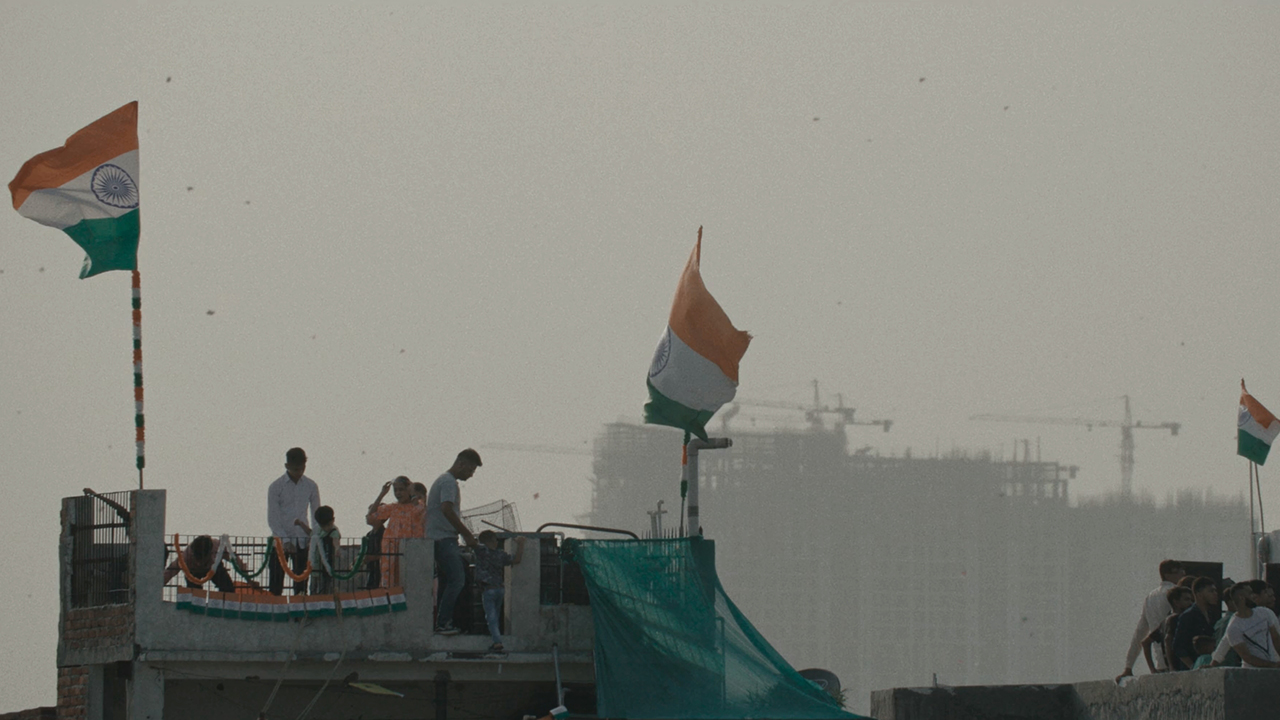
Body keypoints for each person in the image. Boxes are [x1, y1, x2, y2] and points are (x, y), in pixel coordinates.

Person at [426, 449, 482, 636]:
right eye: (471, 469)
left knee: (447, 581)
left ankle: (443, 622)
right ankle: (443, 623)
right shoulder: (448, 482)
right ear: (461, 464)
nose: (471, 475)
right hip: (444, 539)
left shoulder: (443, 480)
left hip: (439, 538)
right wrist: (467, 534)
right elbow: (446, 509)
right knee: (458, 580)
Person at [1118, 559, 1186, 682]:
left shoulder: (1150, 597)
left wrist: (1129, 666)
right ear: (1168, 575)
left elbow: (1139, 634)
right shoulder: (1177, 594)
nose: (1183, 575)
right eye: (1180, 572)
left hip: (1160, 663)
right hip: (1178, 661)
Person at [267, 447, 321, 596]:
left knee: (301, 585)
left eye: (302, 468)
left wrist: (313, 537)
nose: (300, 472)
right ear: (287, 466)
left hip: (303, 540)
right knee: (276, 583)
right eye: (296, 469)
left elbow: (316, 514)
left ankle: (300, 610)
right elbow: (273, 517)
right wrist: (284, 540)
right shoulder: (276, 487)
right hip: (279, 541)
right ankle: (276, 609)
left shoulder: (311, 485)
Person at [366, 476, 426, 588]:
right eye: (396, 490)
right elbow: (370, 517)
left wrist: (415, 496)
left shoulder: (418, 506)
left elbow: (422, 512)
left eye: (401, 489)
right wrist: (382, 494)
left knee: (410, 583)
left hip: (411, 550)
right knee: (391, 583)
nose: (398, 493)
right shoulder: (393, 508)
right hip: (391, 552)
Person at [473, 530, 526, 652]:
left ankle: (497, 642)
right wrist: (521, 543)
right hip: (500, 589)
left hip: (488, 589)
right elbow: (517, 559)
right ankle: (495, 637)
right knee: (495, 616)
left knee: (491, 617)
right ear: (492, 541)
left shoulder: (481, 552)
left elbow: (471, 543)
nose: (497, 542)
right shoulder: (500, 554)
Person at [164, 535, 258, 593]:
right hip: (193, 572)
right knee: (194, 593)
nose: (199, 563)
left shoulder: (218, 548)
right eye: (197, 559)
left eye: (202, 560)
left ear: (210, 553)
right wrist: (158, 586)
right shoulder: (185, 556)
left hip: (214, 568)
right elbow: (170, 571)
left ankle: (224, 604)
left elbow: (236, 562)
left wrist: (249, 580)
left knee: (228, 588)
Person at [1223, 582, 1280, 668]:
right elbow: (1247, 657)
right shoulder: (1234, 627)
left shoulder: (1264, 613)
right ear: (1241, 597)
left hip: (1274, 667)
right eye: (1250, 593)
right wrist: (1272, 665)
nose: (1254, 596)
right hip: (1252, 672)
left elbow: (1276, 639)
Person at [1140, 586, 1193, 674]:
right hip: (1180, 668)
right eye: (1186, 600)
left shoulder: (1165, 621)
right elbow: (1168, 641)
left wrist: (1152, 669)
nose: (1191, 603)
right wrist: (1172, 667)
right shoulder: (1175, 619)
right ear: (1176, 602)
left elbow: (1145, 642)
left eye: (1191, 600)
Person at [1172, 577, 1219, 671]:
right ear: (1199, 594)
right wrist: (1192, 667)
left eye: (1215, 591)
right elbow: (1178, 646)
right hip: (1193, 668)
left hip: (1209, 665)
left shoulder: (1212, 614)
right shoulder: (1188, 616)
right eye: (1211, 591)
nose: (1215, 594)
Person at [309, 506, 340, 595]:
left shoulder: (334, 531)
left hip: (326, 567)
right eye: (322, 526)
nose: (325, 528)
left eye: (328, 525)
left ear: (333, 521)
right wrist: (301, 524)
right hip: (315, 566)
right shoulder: (317, 529)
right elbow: (310, 534)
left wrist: (337, 549)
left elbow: (335, 540)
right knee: (313, 588)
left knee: (324, 589)